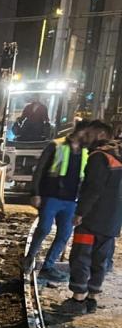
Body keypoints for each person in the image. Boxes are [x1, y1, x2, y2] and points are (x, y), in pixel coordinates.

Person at [59, 120, 122, 315]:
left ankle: (78, 300)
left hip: (92, 220)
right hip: (112, 222)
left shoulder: (99, 157)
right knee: (100, 260)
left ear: (102, 133)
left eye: (90, 134)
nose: (86, 138)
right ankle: (92, 299)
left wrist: (80, 213)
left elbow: (93, 189)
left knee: (81, 257)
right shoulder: (118, 157)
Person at [23, 121, 91, 284]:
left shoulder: (86, 152)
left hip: (71, 201)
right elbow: (40, 169)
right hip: (51, 196)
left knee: (64, 235)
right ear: (80, 132)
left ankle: (48, 266)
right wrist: (35, 193)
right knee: (44, 228)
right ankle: (29, 258)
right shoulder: (56, 145)